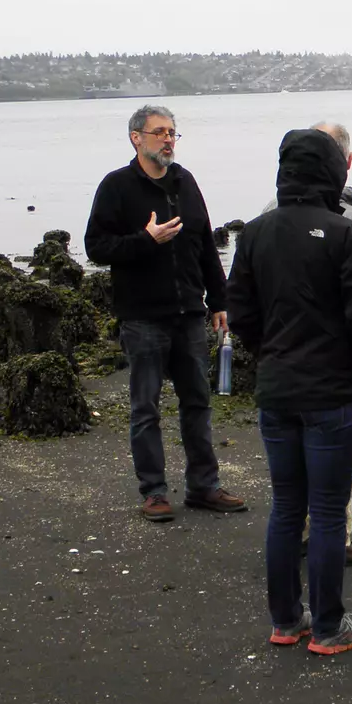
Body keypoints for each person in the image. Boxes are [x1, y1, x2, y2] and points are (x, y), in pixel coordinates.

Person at [226, 128, 352, 655]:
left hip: (278, 387)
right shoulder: (347, 235)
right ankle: (328, 625)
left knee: (286, 507)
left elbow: (242, 316)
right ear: (333, 171)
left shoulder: (253, 234)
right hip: (332, 392)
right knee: (326, 509)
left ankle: (286, 619)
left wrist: (270, 352)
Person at [83, 104, 245, 522]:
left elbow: (206, 245)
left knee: (198, 402)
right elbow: (96, 248)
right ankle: (154, 491)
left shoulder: (184, 181)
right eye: (159, 132)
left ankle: (203, 487)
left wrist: (219, 299)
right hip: (143, 315)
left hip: (189, 312)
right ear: (136, 138)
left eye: (173, 132)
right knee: (146, 408)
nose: (168, 139)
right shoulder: (117, 186)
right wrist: (145, 240)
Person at [259, 121, 352, 567]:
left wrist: (269, 347)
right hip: (337, 378)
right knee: (335, 482)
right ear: (345, 165)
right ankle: (332, 570)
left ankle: (285, 616)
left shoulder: (264, 221)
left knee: (286, 498)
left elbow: (244, 304)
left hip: (279, 372)